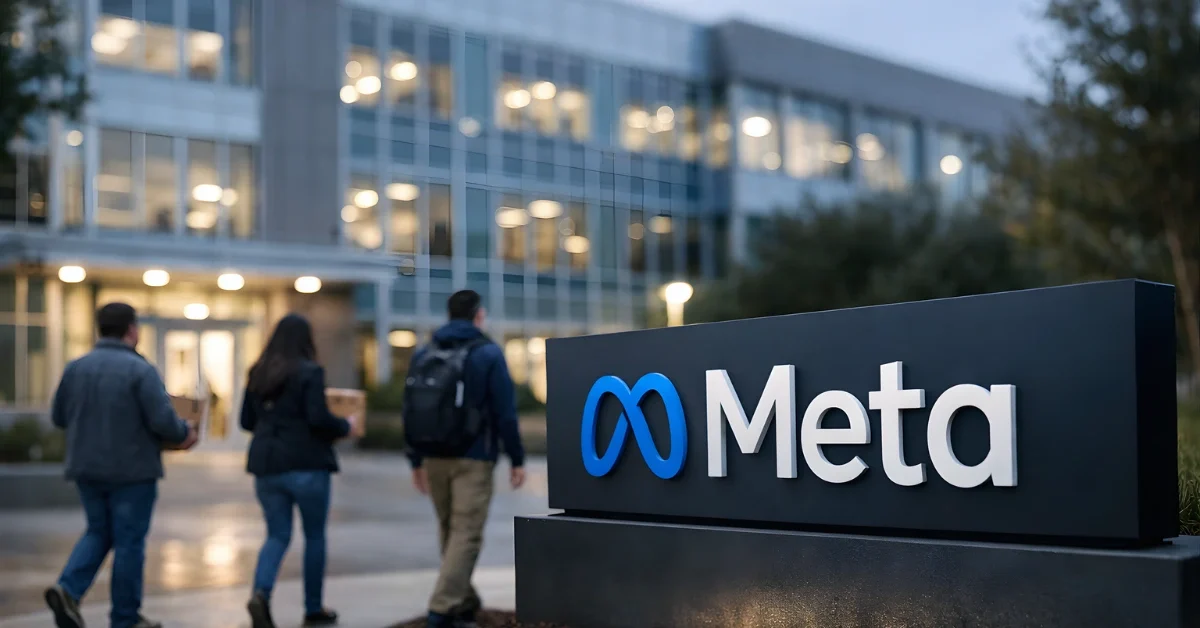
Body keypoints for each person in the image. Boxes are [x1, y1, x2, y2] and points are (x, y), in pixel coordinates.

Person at [44, 302, 199, 628]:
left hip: (86, 469)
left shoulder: (75, 368)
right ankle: (125, 618)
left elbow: (58, 417)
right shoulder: (141, 370)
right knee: (129, 542)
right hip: (132, 472)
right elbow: (164, 423)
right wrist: (187, 432)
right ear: (132, 330)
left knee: (99, 531)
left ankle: (68, 589)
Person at [405, 290, 526, 628]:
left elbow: (409, 407)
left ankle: (464, 602)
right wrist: (516, 457)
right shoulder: (487, 353)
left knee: (450, 530)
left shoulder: (425, 352)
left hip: (433, 455)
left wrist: (415, 459)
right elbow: (505, 412)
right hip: (474, 456)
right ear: (479, 315)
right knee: (466, 533)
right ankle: (442, 609)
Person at [240, 313, 360, 628]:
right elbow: (318, 419)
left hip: (267, 465)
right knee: (315, 536)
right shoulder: (309, 372)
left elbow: (246, 422)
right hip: (306, 465)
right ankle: (313, 607)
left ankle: (261, 594)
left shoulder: (258, 372)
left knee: (276, 535)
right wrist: (345, 425)